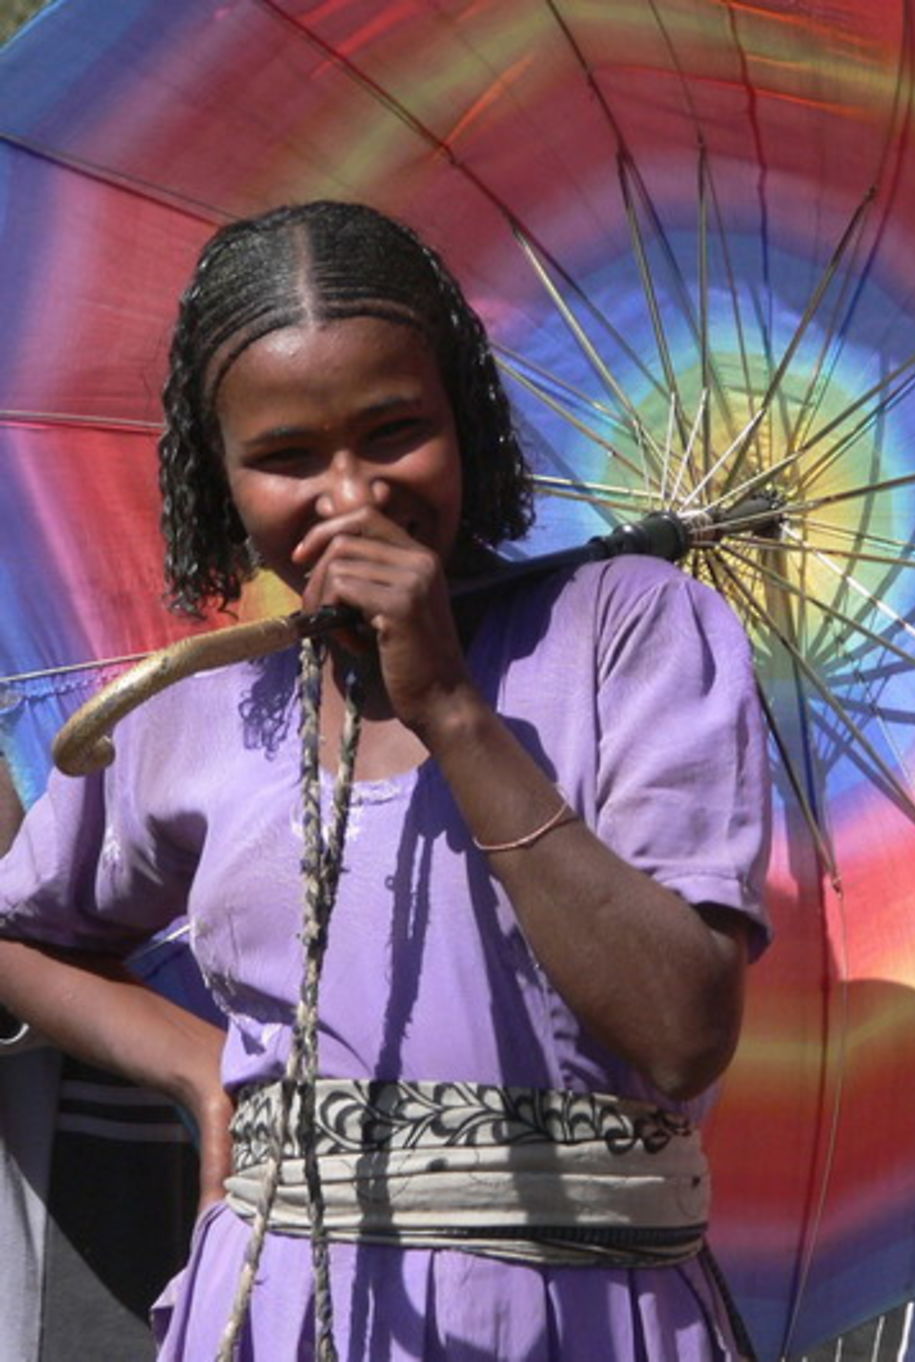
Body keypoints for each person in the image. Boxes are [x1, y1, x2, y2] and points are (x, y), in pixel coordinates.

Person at [0, 200, 771, 1360]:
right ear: (220, 478)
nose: (350, 496)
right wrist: (197, 1068)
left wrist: (453, 708)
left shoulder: (632, 633)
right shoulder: (195, 704)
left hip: (585, 1314)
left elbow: (679, 1035)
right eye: (285, 458)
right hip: (281, 1309)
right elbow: (20, 932)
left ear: (465, 423)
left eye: (394, 431)